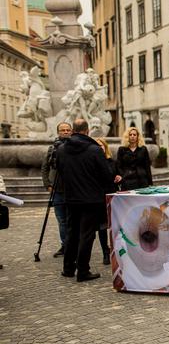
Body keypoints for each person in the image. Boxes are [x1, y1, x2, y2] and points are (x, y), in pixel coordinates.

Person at [56, 118, 115, 282]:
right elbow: (105, 176)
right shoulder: (94, 150)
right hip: (91, 199)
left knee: (71, 233)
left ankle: (68, 268)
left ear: (73, 130)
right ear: (87, 131)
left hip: (71, 198)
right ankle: (83, 270)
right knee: (87, 235)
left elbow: (60, 172)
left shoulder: (61, 149)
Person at [40, 122, 72, 257]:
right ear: (58, 132)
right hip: (57, 190)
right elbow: (45, 167)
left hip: (73, 190)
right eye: (62, 130)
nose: (65, 132)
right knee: (61, 220)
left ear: (71, 131)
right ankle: (65, 245)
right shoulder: (52, 148)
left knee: (72, 220)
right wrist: (47, 184)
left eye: (68, 130)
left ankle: (72, 245)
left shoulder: (76, 148)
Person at [95, 138, 118, 265]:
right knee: (102, 226)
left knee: (114, 225)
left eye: (101, 145)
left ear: (105, 147)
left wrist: (119, 178)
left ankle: (116, 249)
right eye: (97, 146)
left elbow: (118, 175)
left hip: (112, 195)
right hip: (99, 197)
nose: (100, 148)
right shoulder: (93, 162)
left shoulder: (111, 161)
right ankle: (105, 251)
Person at [116, 127, 152, 191]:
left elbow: (147, 166)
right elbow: (119, 166)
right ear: (127, 136)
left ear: (138, 136)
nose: (132, 136)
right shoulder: (122, 149)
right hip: (127, 180)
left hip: (142, 180)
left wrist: (150, 182)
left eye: (134, 135)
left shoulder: (143, 149)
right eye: (130, 134)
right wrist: (122, 176)